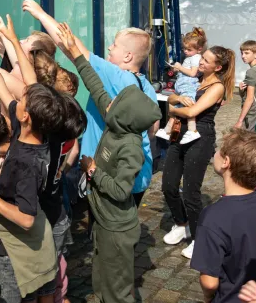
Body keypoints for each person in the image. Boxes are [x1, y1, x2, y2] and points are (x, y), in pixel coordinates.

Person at [23, 0, 158, 207]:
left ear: (128, 55)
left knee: (105, 229)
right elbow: (152, 130)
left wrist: (41, 14)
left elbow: (71, 47)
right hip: (138, 174)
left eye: (114, 45)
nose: (109, 48)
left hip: (110, 173)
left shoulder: (115, 75)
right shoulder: (144, 85)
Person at [60, 23, 161, 303]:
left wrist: (92, 170)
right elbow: (93, 81)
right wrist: (73, 52)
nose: (111, 99)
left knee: (117, 286)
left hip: (117, 227)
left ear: (123, 113)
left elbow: (120, 191)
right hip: (103, 222)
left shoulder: (130, 147)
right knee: (101, 278)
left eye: (117, 99)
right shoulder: (119, 118)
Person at [0, 24, 60, 303]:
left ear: (26, 115)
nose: (17, 97)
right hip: (35, 238)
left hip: (22, 246)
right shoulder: (34, 127)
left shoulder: (27, 164)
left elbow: (27, 219)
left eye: (22, 100)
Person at [162, 46, 236, 260]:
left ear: (218, 67)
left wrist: (174, 108)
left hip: (200, 137)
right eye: (202, 57)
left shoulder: (217, 87)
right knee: (168, 185)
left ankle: (198, 237)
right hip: (180, 132)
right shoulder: (197, 80)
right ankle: (181, 223)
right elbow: (172, 98)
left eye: (206, 60)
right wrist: (175, 100)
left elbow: (193, 111)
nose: (200, 62)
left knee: (191, 192)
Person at [190, 129, 256, 303]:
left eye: (220, 150)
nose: (216, 152)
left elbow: (209, 282)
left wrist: (209, 298)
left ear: (226, 162)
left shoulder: (213, 216)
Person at [157, 27, 207, 144]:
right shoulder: (191, 57)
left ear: (199, 49)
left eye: (189, 49)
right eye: (184, 49)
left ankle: (192, 130)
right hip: (183, 83)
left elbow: (193, 73)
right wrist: (177, 70)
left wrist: (179, 67)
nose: (185, 51)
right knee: (178, 108)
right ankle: (168, 130)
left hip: (188, 84)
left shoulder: (196, 58)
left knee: (188, 106)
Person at [234, 40, 256, 131]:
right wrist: (241, 90)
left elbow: (249, 99)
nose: (243, 56)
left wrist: (240, 121)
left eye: (247, 53)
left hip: (252, 112)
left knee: (247, 139)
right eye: (242, 53)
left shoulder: (252, 72)